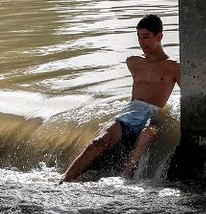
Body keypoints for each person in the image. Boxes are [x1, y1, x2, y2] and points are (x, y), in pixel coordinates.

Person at [59, 14, 180, 183]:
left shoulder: (174, 67)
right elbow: (135, 93)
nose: (141, 42)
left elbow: (188, 96)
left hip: (154, 113)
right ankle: (65, 179)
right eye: (139, 37)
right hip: (131, 113)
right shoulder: (133, 62)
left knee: (147, 134)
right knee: (98, 142)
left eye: (146, 37)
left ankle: (126, 177)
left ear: (159, 36)